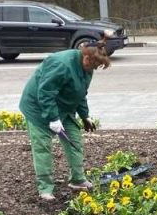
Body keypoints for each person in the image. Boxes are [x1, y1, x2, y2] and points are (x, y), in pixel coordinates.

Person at [19, 44, 110, 201]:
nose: (93, 69)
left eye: (97, 66)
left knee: (75, 141)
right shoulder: (61, 64)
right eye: (93, 65)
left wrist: (84, 115)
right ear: (86, 57)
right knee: (43, 147)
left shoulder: (88, 68)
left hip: (63, 109)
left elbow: (80, 92)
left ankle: (77, 179)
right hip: (38, 109)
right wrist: (53, 118)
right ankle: (45, 188)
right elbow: (45, 93)